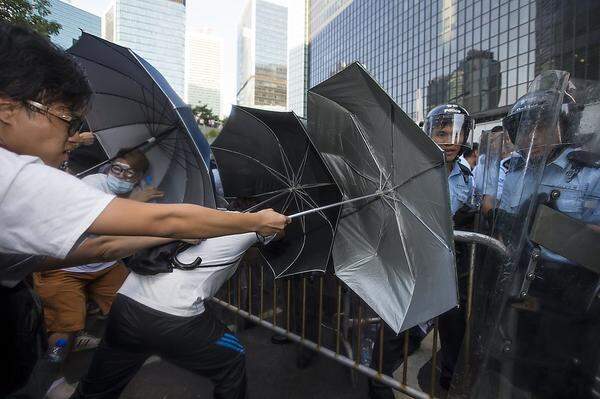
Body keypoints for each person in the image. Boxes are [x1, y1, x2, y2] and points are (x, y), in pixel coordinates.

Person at [0, 21, 288, 269]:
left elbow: (96, 250)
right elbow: (168, 218)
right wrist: (253, 222)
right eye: (67, 119)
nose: (73, 136)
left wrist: (172, 232)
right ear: (8, 110)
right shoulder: (14, 177)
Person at [453, 71, 600, 398]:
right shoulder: (513, 170)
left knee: (564, 376)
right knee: (519, 368)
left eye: (541, 126)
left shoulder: (588, 172)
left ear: (563, 126)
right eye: (523, 129)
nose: (532, 136)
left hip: (572, 289)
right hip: (519, 280)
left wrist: (555, 227)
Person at [71, 231, 276, 399]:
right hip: (174, 316)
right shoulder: (251, 226)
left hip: (126, 303)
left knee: (96, 388)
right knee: (233, 358)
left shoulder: (193, 216)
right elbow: (277, 233)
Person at [368, 104, 475, 398]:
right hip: (413, 262)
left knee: (454, 328)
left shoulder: (467, 176)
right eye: (442, 132)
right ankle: (377, 384)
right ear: (430, 134)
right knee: (393, 328)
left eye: (457, 132)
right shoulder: (411, 169)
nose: (450, 140)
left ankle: (450, 380)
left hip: (448, 267)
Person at [33, 149, 161, 356]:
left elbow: (147, 226)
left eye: (128, 173)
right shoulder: (94, 182)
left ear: (138, 176)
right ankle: (53, 368)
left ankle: (122, 347)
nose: (119, 176)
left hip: (106, 265)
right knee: (65, 329)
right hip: (63, 265)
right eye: (116, 168)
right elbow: (95, 221)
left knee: (132, 306)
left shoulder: (143, 192)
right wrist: (134, 204)